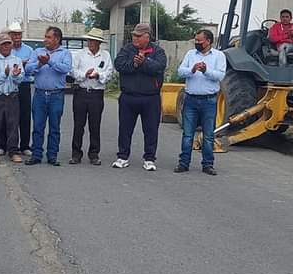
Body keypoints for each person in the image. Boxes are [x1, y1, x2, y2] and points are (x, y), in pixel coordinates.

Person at [112, 23, 166, 171]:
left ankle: (149, 159)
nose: (135, 38)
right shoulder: (127, 49)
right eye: (134, 35)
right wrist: (134, 64)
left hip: (151, 97)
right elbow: (119, 65)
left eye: (138, 36)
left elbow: (159, 67)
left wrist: (144, 62)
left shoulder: (158, 51)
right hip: (128, 96)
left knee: (151, 130)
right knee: (125, 129)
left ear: (147, 37)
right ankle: (123, 157)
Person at [174, 29, 226, 176]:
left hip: (209, 100)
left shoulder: (219, 56)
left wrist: (205, 71)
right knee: (187, 134)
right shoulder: (191, 54)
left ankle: (208, 165)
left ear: (208, 41)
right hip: (190, 99)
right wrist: (191, 70)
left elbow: (220, 76)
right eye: (195, 40)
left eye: (199, 41)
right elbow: (180, 71)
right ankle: (183, 163)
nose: (196, 43)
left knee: (208, 135)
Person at [24, 26, 73, 166]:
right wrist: (39, 64)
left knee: (54, 127)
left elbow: (66, 69)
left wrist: (49, 62)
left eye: (48, 37)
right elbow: (27, 69)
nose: (45, 39)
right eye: (45, 36)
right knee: (37, 127)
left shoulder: (65, 53)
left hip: (56, 95)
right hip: (39, 94)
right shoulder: (37, 52)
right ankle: (36, 155)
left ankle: (52, 156)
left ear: (57, 39)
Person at [69, 27, 113, 165]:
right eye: (89, 40)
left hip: (96, 94)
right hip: (81, 92)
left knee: (95, 126)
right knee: (78, 125)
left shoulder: (105, 55)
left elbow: (109, 73)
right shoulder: (80, 54)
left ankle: (94, 154)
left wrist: (99, 75)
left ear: (99, 42)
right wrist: (84, 75)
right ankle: (76, 154)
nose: (91, 43)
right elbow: (72, 71)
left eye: (94, 41)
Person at [0, 34, 25, 163]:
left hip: (12, 96)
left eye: (8, 44)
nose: (6, 46)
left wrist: (15, 75)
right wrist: (5, 74)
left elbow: (20, 79)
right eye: (3, 44)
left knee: (13, 125)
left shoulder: (17, 60)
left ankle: (13, 151)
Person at [7, 22, 34, 157]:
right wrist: (22, 63)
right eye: (14, 35)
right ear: (10, 35)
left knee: (25, 116)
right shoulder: (6, 49)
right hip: (11, 85)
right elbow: (5, 67)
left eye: (19, 34)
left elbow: (32, 68)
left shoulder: (29, 50)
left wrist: (21, 65)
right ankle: (9, 145)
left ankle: (24, 146)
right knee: (10, 117)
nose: (17, 37)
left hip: (24, 85)